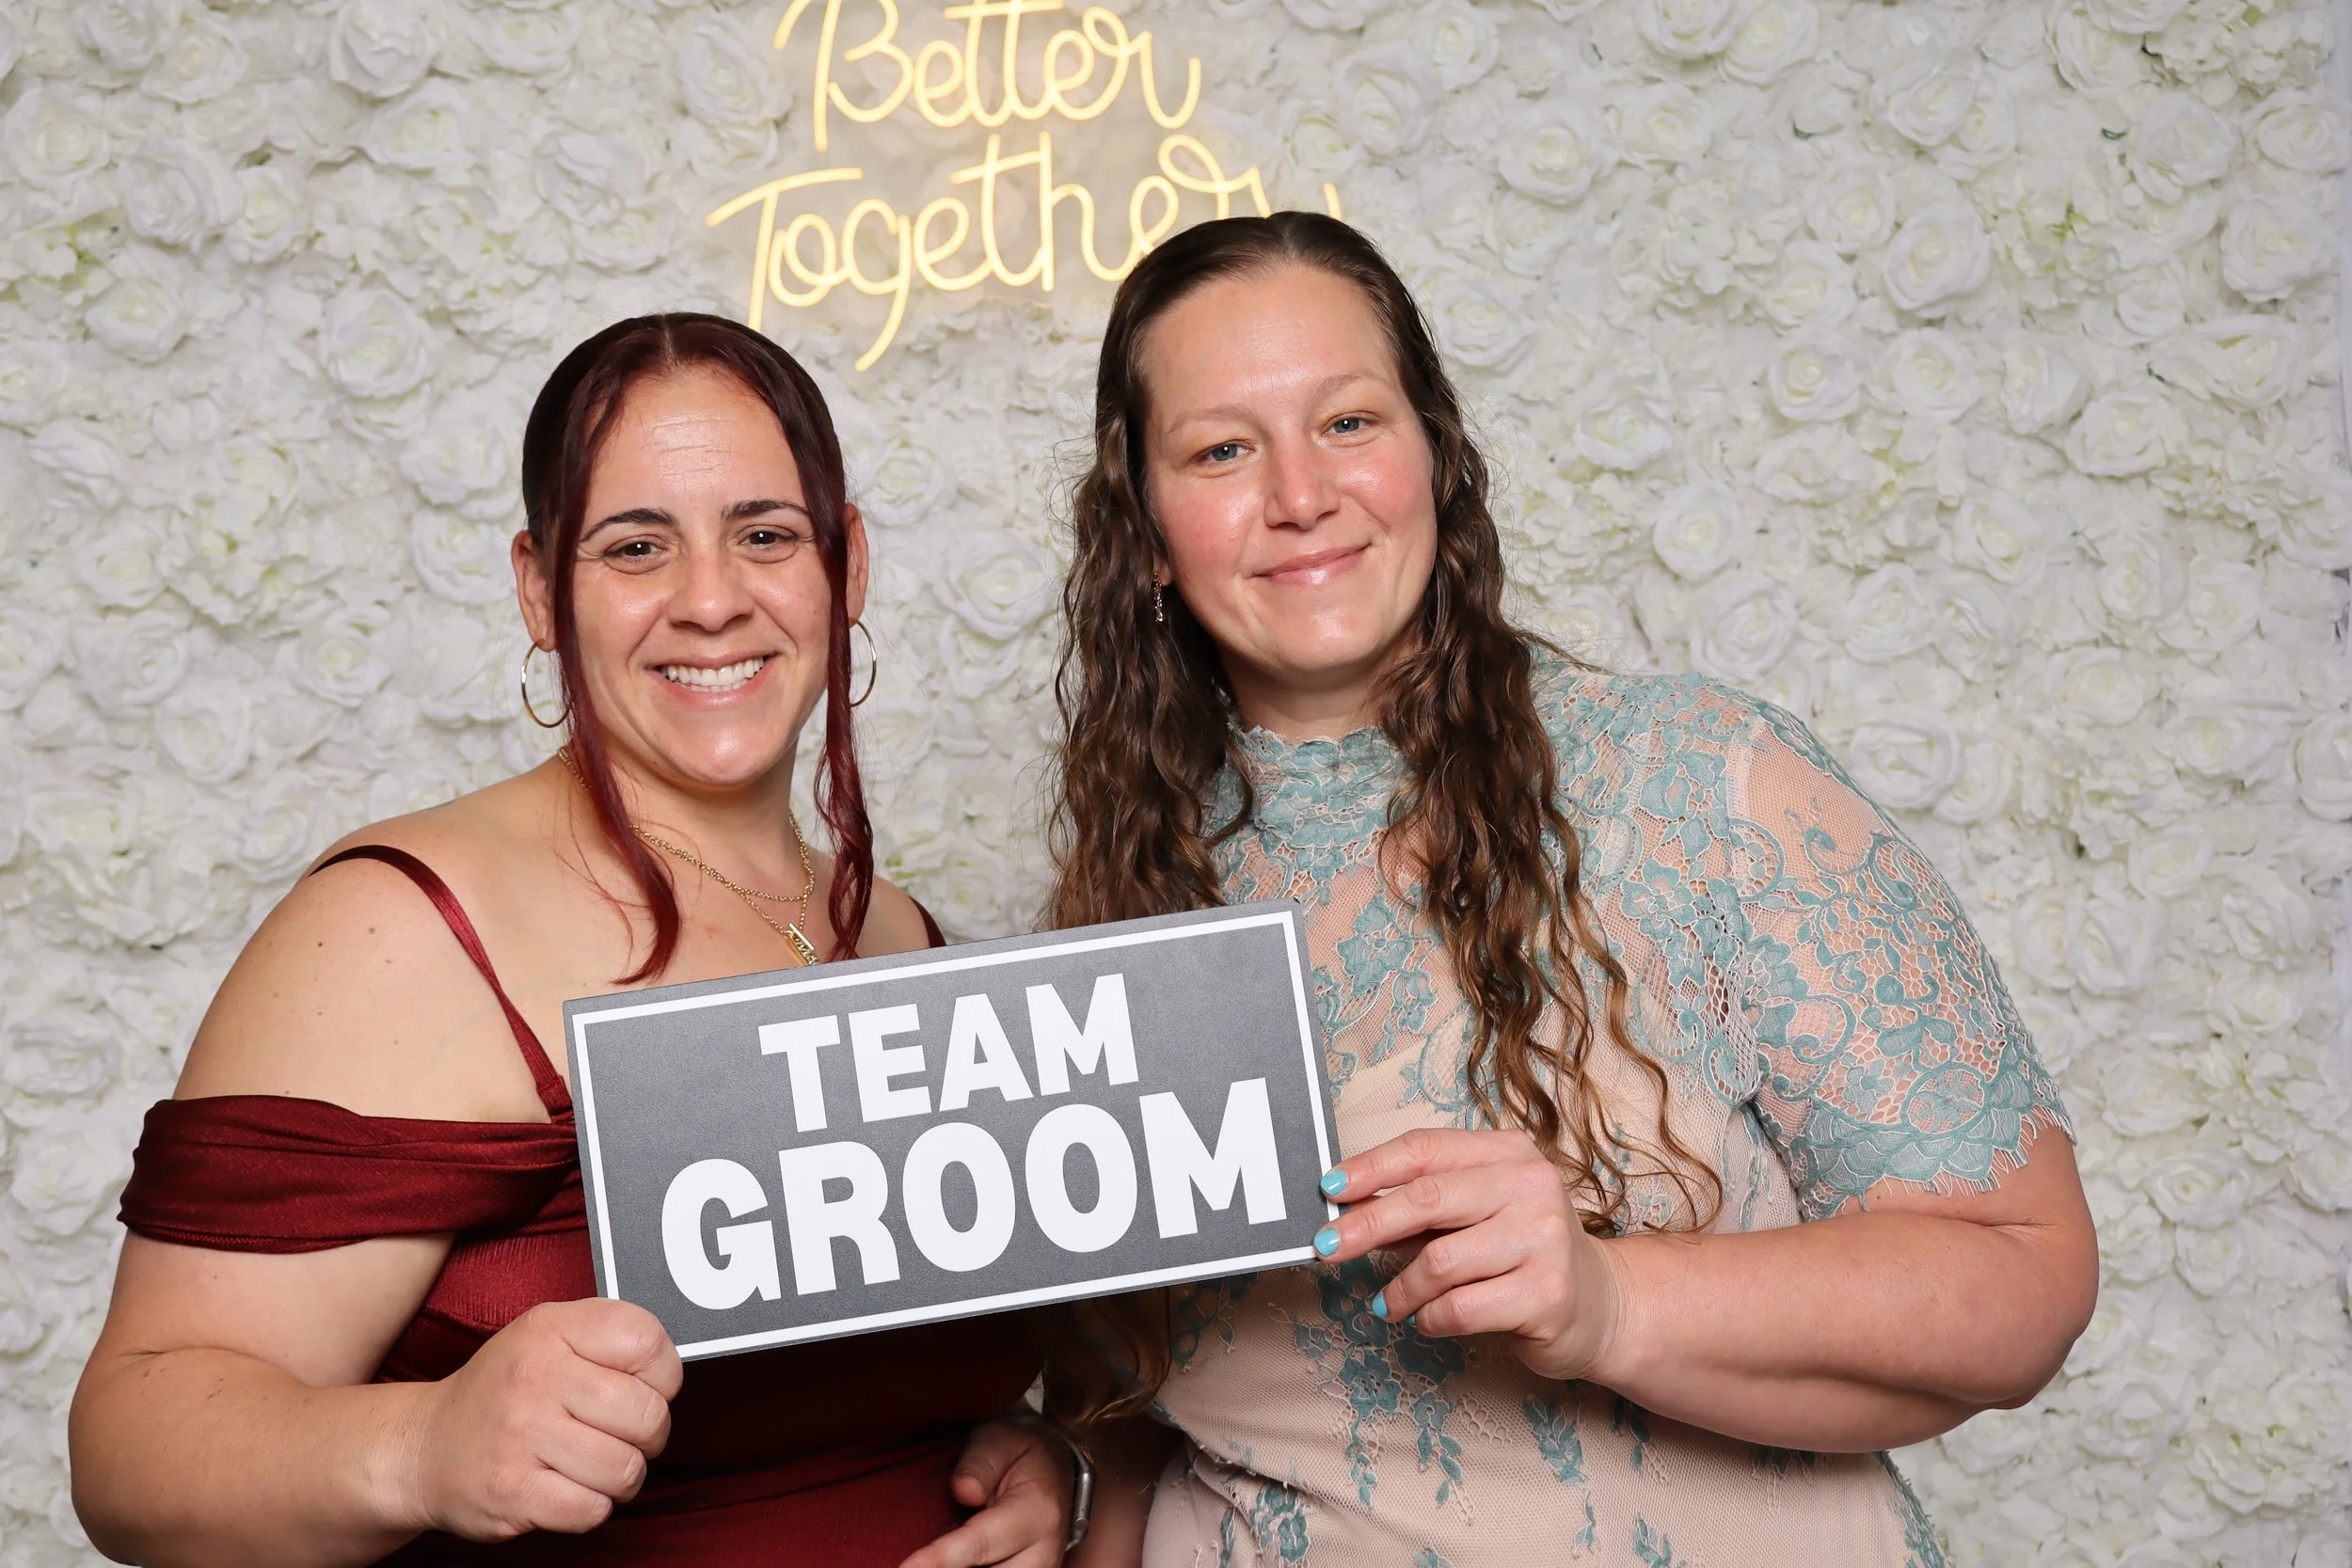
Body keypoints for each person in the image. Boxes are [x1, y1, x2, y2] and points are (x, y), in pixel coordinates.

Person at [1044, 214, 2099, 1566]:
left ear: (1436, 450)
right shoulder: (1121, 913)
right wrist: (1052, 1477)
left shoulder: (1702, 781)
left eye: (1350, 421)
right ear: (1142, 519)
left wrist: (1610, 1300)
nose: (1300, 493)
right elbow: (1131, 1412)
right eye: (1222, 449)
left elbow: (2024, 1273)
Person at [71, 314, 1076, 1568]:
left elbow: (868, 1388)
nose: (711, 599)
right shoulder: (402, 926)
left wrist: (1033, 1466)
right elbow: (131, 1444)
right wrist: (422, 1443)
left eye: (764, 534)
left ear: (848, 566)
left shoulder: (902, 936)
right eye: (636, 546)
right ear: (540, 590)